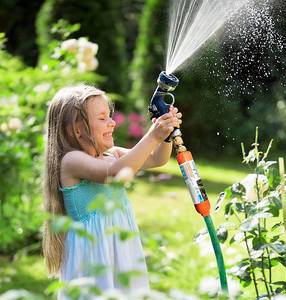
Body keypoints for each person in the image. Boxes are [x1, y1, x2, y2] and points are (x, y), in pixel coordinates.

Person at [42, 83, 182, 299]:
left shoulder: (113, 154)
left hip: (121, 251)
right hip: (93, 258)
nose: (112, 123)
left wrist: (164, 134)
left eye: (110, 116)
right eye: (102, 118)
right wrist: (152, 136)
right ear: (75, 129)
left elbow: (157, 158)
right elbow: (114, 174)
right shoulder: (71, 161)